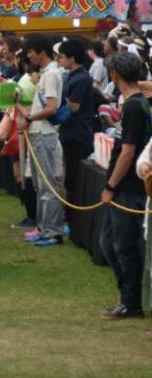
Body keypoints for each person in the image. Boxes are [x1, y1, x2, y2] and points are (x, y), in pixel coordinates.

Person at [99, 53, 150, 319]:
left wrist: (110, 185)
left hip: (129, 187)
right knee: (108, 242)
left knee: (123, 245)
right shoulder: (136, 102)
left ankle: (131, 302)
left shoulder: (133, 107)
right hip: (125, 186)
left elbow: (128, 152)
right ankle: (127, 297)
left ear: (114, 75)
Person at [17, 34, 66, 247]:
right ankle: (43, 227)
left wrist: (30, 117)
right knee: (38, 185)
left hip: (45, 134)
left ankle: (52, 232)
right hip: (38, 132)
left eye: (30, 51)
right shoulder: (44, 74)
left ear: (41, 51)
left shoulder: (52, 74)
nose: (28, 56)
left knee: (47, 185)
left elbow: (51, 108)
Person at [56, 39, 95, 223]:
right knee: (70, 176)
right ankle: (70, 215)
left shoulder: (82, 78)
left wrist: (52, 112)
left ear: (72, 58)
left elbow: (73, 107)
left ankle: (71, 218)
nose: (59, 60)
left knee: (73, 178)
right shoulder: (71, 75)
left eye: (62, 57)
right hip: (70, 133)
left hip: (78, 135)